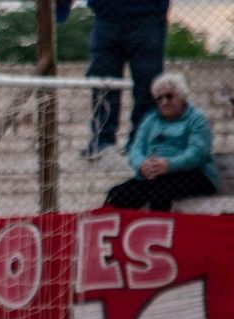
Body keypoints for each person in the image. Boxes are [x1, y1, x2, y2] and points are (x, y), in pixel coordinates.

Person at [104, 73, 217, 212]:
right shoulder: (150, 120)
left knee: (160, 190)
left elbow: (197, 153)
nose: (164, 102)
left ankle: (159, 225)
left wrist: (169, 165)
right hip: (156, 176)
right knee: (117, 194)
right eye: (159, 98)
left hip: (195, 174)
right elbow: (136, 149)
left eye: (169, 96)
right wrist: (142, 165)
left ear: (182, 97)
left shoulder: (196, 119)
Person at [81, 0, 168, 160]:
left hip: (147, 17)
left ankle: (141, 142)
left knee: (148, 86)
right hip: (105, 17)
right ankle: (102, 141)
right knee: (102, 84)